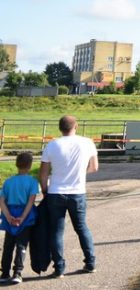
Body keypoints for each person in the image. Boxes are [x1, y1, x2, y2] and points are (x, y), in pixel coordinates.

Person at [39, 115, 98, 277]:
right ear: (76, 126)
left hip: (56, 192)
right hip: (77, 192)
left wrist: (45, 190)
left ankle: (59, 268)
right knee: (81, 227)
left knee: (56, 231)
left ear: (60, 128)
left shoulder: (52, 145)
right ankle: (90, 262)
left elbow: (43, 173)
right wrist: (79, 174)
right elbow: (94, 167)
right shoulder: (87, 143)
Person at [0, 152, 40, 284]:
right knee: (21, 244)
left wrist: (8, 216)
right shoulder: (32, 181)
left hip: (10, 213)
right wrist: (22, 217)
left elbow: (2, 201)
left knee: (8, 245)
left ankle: (4, 273)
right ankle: (17, 272)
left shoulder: (8, 182)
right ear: (30, 165)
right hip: (25, 215)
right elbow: (31, 201)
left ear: (16, 164)